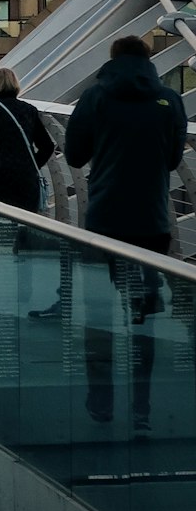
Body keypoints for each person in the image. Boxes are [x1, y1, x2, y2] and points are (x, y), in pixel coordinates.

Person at [64, 35, 187, 429]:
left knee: (99, 315)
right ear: (149, 59)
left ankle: (101, 404)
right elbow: (172, 159)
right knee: (143, 317)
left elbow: (74, 155)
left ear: (112, 59)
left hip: (104, 221)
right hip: (152, 223)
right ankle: (142, 407)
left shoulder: (95, 97)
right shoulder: (169, 100)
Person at [0, 67, 55, 211]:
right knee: (25, 225)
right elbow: (47, 146)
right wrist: (31, 165)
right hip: (26, 181)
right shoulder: (29, 110)